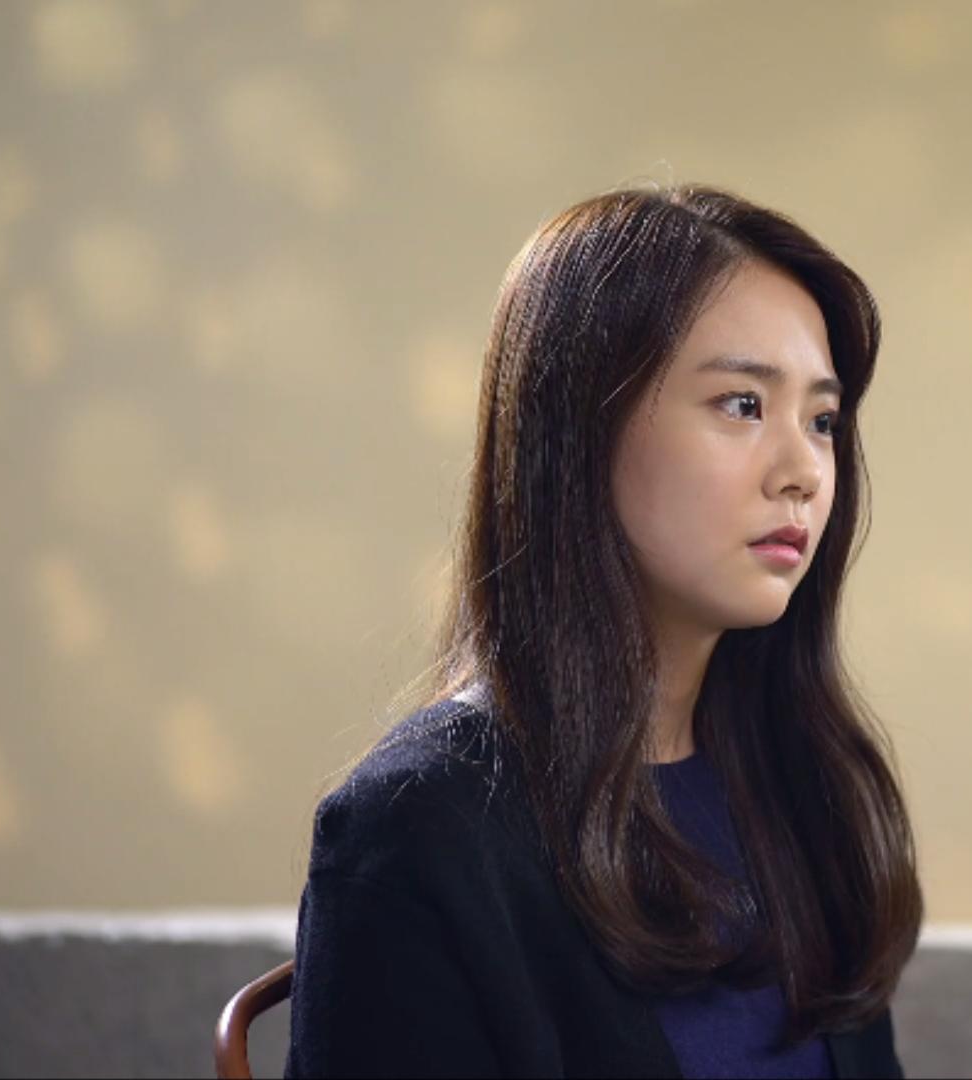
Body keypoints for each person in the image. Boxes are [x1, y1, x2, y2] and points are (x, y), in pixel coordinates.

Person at [282, 183, 923, 1078]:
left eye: (821, 420)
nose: (804, 472)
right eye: (742, 404)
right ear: (580, 426)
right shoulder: (418, 829)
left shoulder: (803, 782)